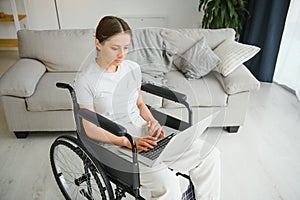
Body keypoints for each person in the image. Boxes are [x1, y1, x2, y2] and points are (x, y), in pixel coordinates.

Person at [75, 16, 221, 200]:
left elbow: (139, 104)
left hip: (144, 135)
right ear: (98, 43)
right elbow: (90, 128)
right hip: (114, 143)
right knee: (168, 184)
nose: (122, 54)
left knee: (210, 155)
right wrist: (127, 142)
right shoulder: (86, 79)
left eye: (126, 47)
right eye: (114, 48)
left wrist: (152, 122)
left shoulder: (132, 68)